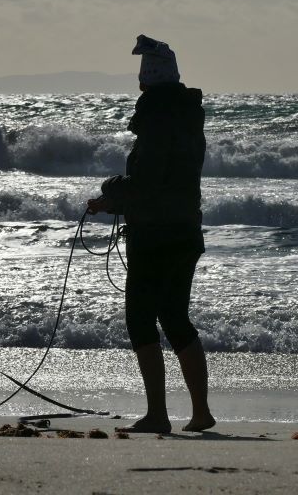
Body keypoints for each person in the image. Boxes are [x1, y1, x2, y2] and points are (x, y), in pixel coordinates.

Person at [87, 35, 214, 433]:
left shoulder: (156, 119)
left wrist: (111, 195)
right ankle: (200, 412)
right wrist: (120, 196)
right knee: (176, 317)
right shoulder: (188, 118)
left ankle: (158, 414)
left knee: (141, 319)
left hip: (155, 236)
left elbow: (148, 184)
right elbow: (164, 181)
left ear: (147, 83)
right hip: (185, 232)